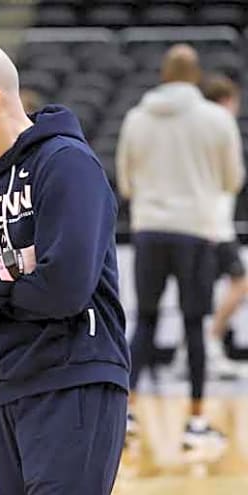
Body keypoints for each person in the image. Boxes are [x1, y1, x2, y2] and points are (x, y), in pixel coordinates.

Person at [0, 41, 130, 495]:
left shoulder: (66, 164)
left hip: (72, 380)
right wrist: (10, 267)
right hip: (1, 389)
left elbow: (64, 290)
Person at [116, 45, 243, 453]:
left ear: (162, 74)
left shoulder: (135, 118)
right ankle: (196, 421)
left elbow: (125, 182)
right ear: (195, 77)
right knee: (194, 326)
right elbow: (232, 180)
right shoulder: (215, 120)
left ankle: (127, 411)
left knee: (145, 323)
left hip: (150, 230)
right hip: (196, 232)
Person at [202, 73, 246, 378]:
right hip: (217, 223)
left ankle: (199, 347)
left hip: (200, 222)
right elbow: (234, 178)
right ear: (228, 100)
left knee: (201, 293)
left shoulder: (195, 126)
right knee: (241, 283)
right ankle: (210, 342)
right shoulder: (223, 123)